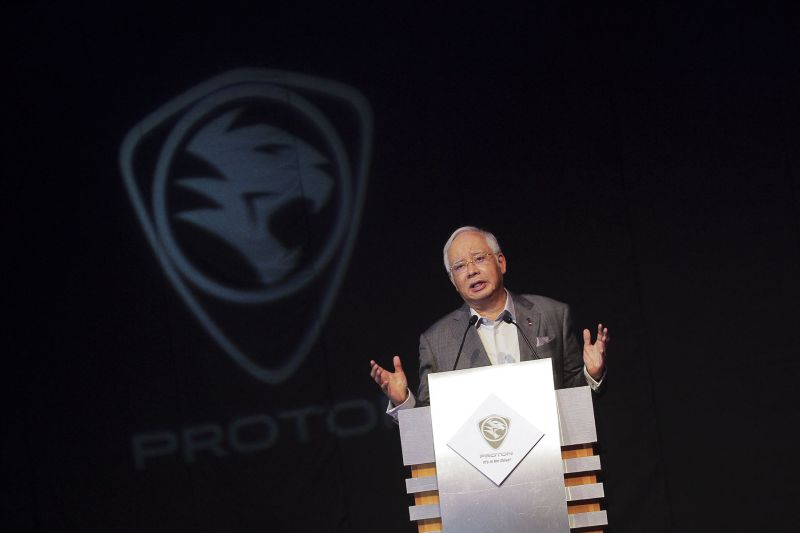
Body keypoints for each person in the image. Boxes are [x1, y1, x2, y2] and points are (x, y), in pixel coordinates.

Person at [370, 226, 608, 413]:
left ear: (501, 262)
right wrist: (404, 402)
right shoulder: (436, 342)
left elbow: (575, 396)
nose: (471, 271)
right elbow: (432, 421)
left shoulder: (552, 314)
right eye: (459, 266)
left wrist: (593, 373)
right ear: (453, 282)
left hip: (554, 453)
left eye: (479, 258)